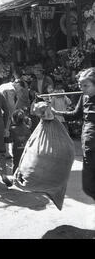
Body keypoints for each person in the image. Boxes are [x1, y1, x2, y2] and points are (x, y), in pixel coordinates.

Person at [51, 68, 95, 201]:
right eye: (80, 85)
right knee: (88, 186)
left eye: (85, 85)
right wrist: (55, 112)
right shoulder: (84, 97)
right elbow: (75, 115)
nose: (82, 88)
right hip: (89, 147)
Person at [10, 109, 32, 174]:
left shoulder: (12, 129)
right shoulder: (28, 128)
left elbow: (9, 139)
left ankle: (14, 177)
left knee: (16, 164)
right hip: (26, 149)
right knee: (25, 164)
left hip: (16, 149)